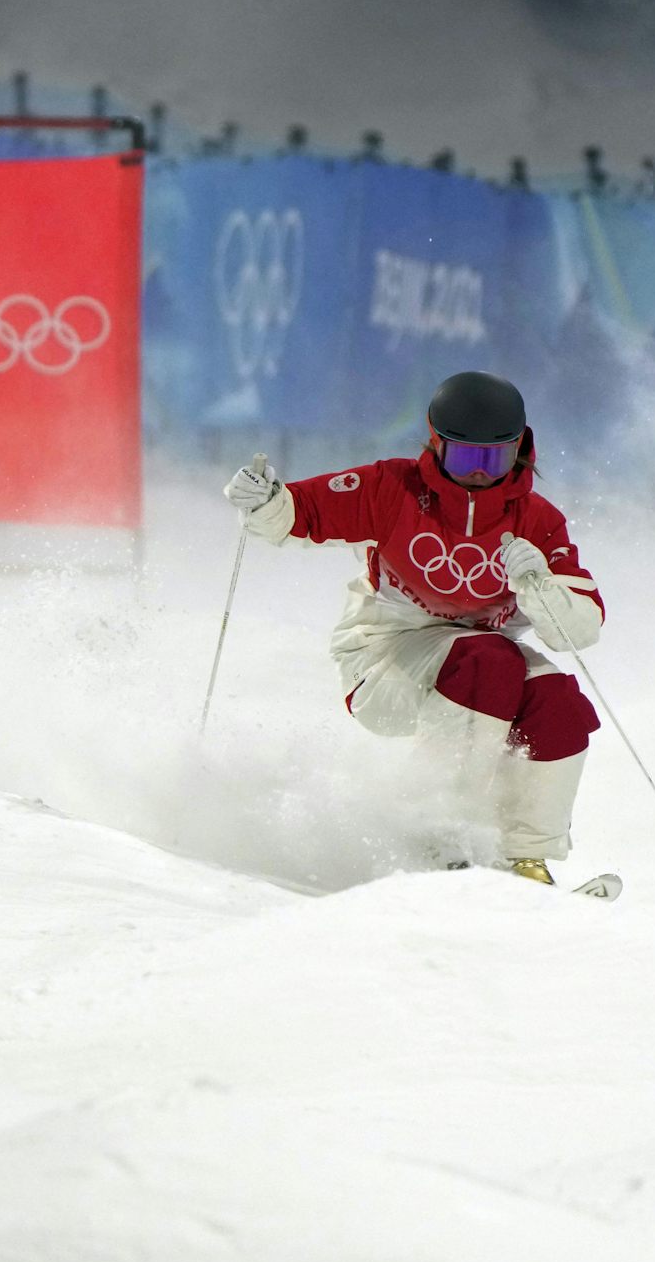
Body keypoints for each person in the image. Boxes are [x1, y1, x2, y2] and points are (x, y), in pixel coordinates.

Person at [223, 371, 605, 883]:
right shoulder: (393, 489)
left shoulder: (537, 520)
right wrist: (264, 499)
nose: (478, 474)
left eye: (494, 459)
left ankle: (524, 860)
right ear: (435, 443)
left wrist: (539, 587)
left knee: (558, 699)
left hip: (483, 671)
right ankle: (438, 840)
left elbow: (580, 630)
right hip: (384, 662)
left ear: (520, 450)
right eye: (465, 457)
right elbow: (298, 513)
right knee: (489, 659)